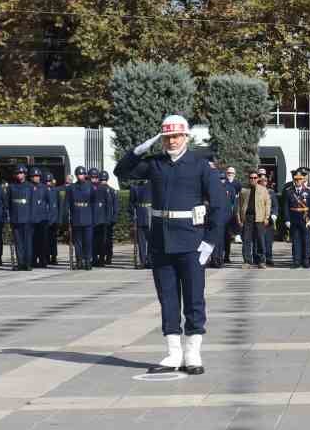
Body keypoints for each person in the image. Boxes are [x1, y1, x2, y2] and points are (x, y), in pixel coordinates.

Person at [114, 115, 229, 374]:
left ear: (186, 137)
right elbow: (121, 171)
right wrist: (141, 148)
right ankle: (173, 353)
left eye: (176, 136)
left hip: (191, 241)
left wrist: (210, 241)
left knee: (194, 298)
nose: (172, 141)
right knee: (167, 298)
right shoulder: (155, 163)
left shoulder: (201, 166)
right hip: (160, 241)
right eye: (166, 137)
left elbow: (220, 206)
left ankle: (193, 353)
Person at [237, 169, 275, 268]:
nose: (253, 179)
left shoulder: (263, 190)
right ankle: (247, 261)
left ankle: (261, 261)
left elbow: (268, 204)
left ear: (257, 178)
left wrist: (266, 217)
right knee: (246, 240)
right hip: (247, 218)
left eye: (255, 178)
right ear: (248, 179)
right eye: (251, 178)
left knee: (260, 240)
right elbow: (238, 206)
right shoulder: (244, 190)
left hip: (259, 218)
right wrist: (239, 219)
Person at [284, 168, 310, 268]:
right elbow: (286, 207)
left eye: (300, 179)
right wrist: (287, 219)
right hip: (294, 218)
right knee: (296, 241)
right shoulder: (289, 191)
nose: (298, 181)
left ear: (303, 180)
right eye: (296, 179)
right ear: (294, 180)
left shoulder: (309, 191)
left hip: (305, 218)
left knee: (306, 240)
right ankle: (296, 260)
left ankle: (306, 260)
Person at [66, 167, 95, 269]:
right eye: (78, 174)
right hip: (76, 217)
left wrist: (93, 218)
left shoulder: (90, 186)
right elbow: (67, 203)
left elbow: (94, 203)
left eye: (82, 174)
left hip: (87, 217)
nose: (80, 176)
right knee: (77, 242)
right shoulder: (71, 188)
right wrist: (68, 217)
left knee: (88, 241)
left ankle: (88, 261)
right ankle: (79, 261)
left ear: (85, 175)